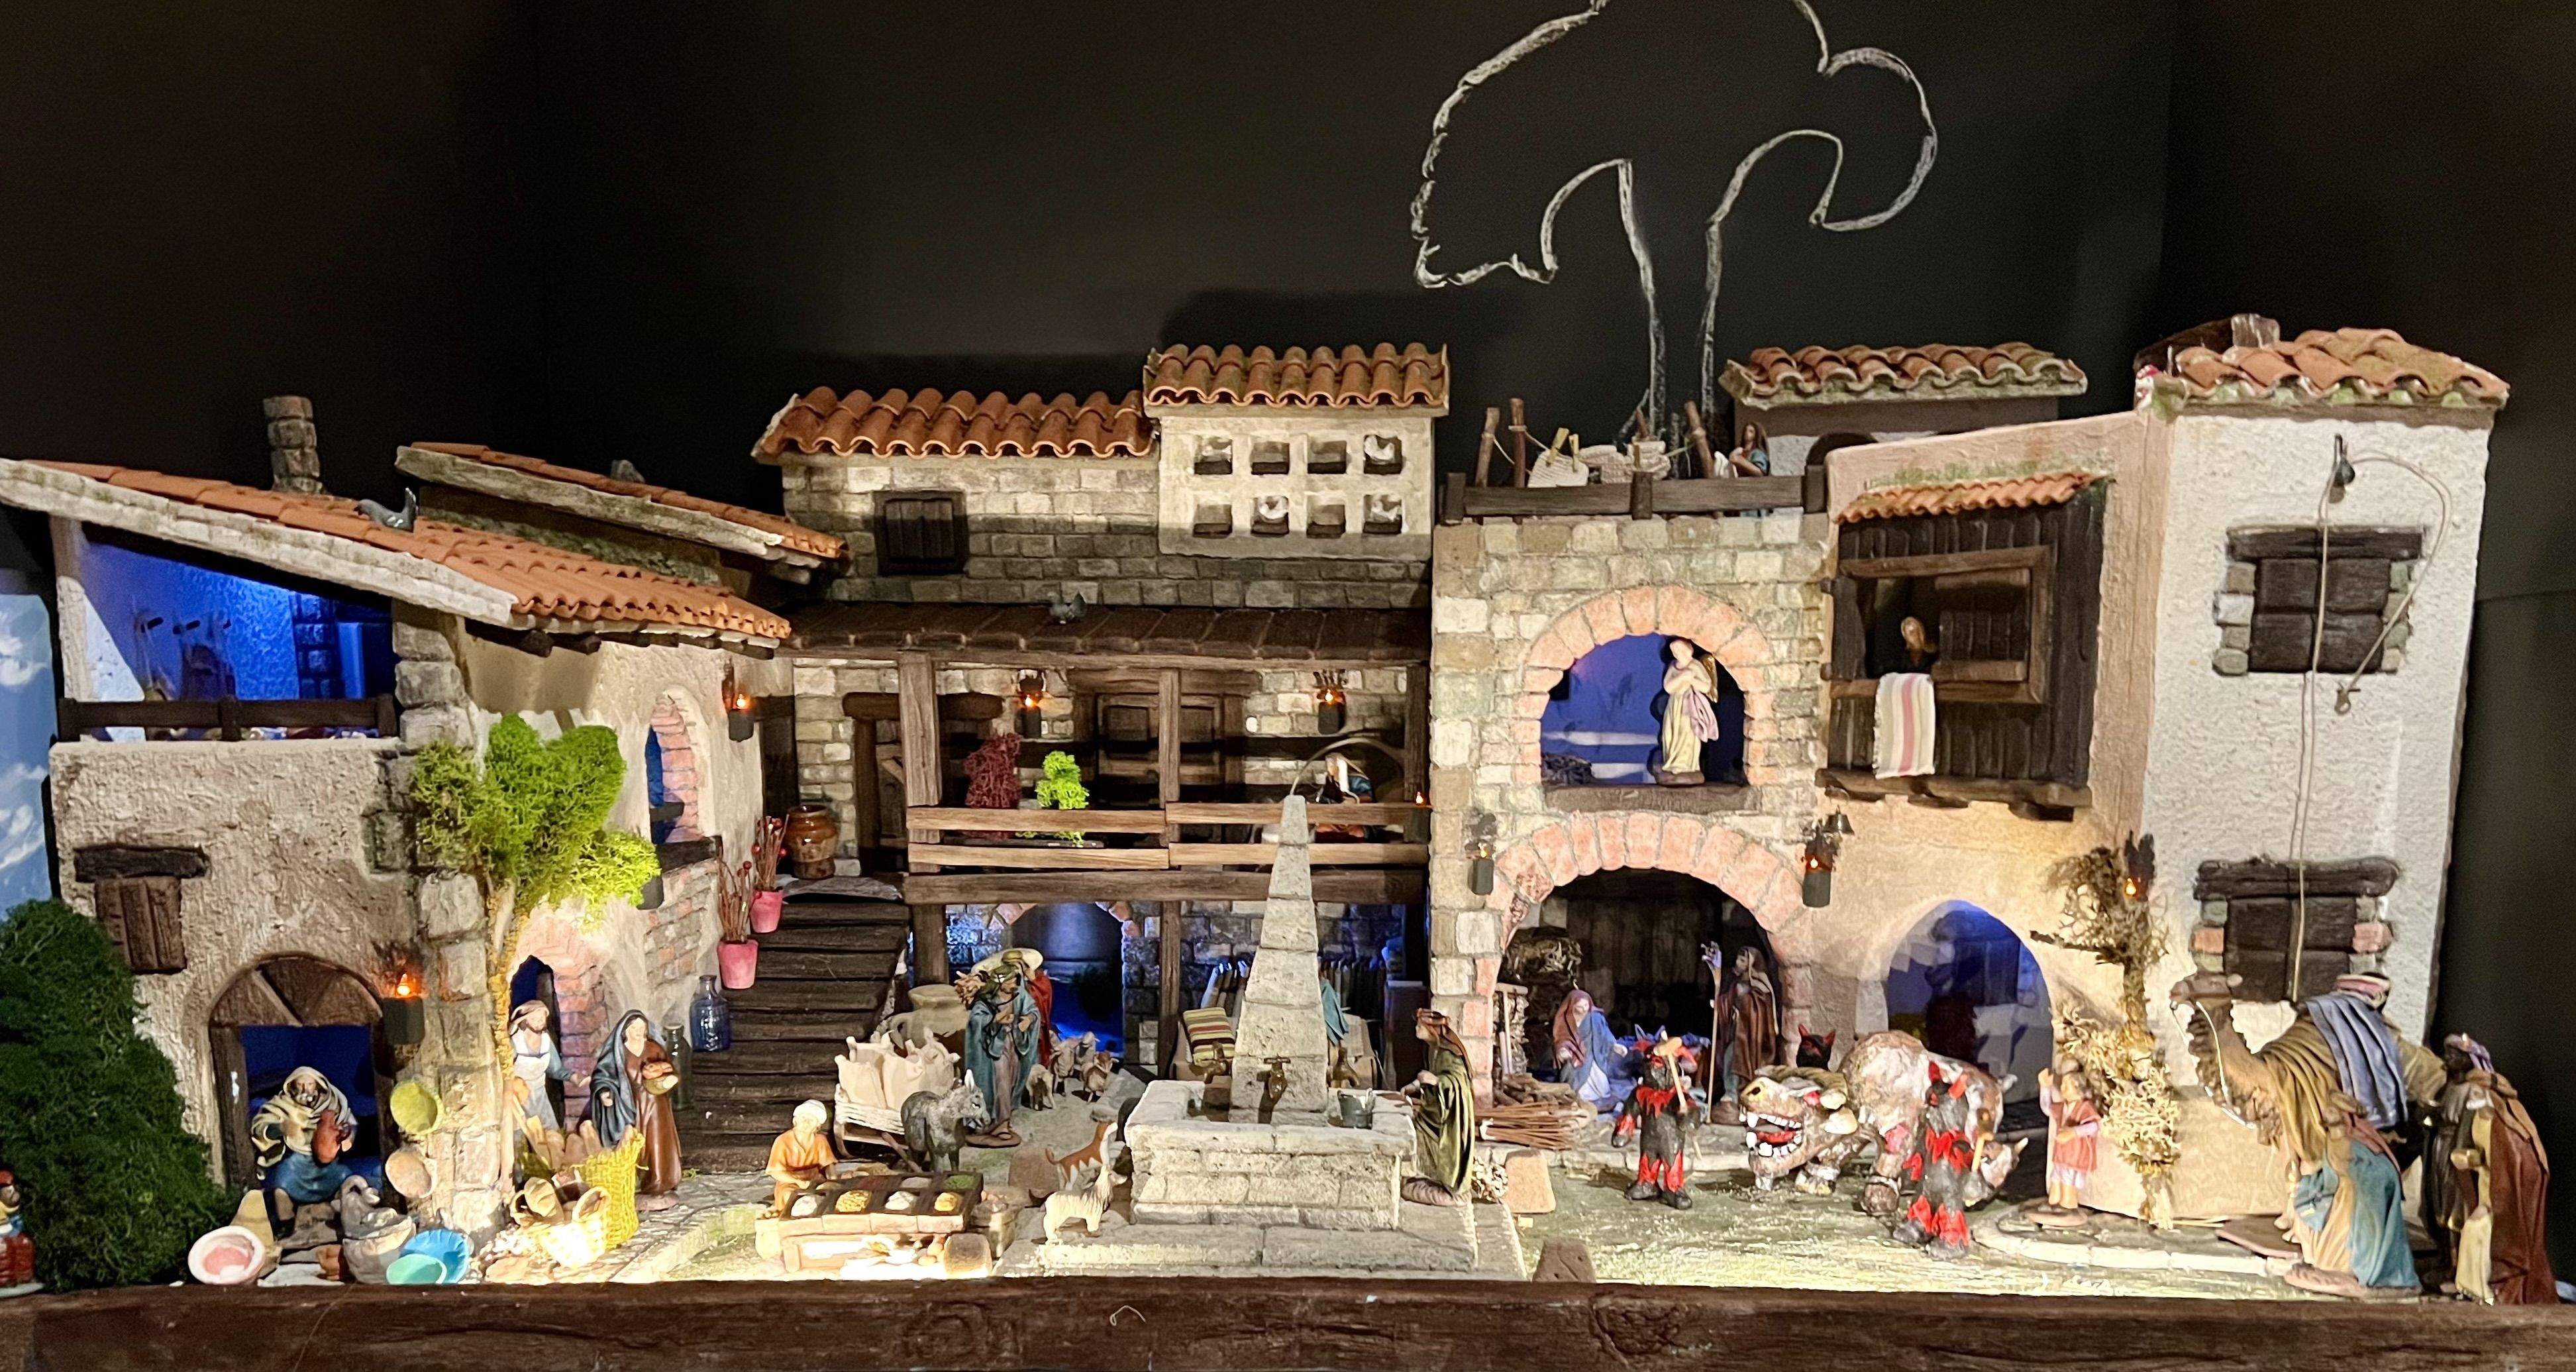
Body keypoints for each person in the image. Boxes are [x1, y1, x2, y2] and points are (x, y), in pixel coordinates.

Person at [590, 1012, 682, 1207]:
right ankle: (635, 1184)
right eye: (635, 1028)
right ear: (626, 1031)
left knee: (657, 1143)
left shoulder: (654, 1048)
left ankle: (659, 1183)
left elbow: (670, 1069)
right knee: (632, 1143)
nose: (639, 1031)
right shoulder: (618, 1052)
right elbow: (603, 1075)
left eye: (642, 1027)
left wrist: (670, 1079)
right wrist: (605, 1092)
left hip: (656, 1104)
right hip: (628, 1105)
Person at [249, 1066, 358, 1225]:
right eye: (300, 1084)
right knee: (282, 1183)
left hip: (327, 1163)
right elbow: (261, 1128)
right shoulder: (282, 1105)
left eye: (310, 1084)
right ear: (293, 1086)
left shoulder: (333, 1103)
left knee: (345, 1177)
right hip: (296, 1161)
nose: (305, 1089)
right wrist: (281, 1128)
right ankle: (286, 1224)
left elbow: (350, 1124)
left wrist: (348, 1138)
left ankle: (339, 1216)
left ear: (318, 1085)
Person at [963, 950, 1043, 1145]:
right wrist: (995, 1019)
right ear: (1001, 982)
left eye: (1015, 980)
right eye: (1011, 981)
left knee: (1012, 1082)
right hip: (996, 1047)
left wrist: (1028, 1019)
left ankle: (1003, 1121)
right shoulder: (988, 999)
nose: (1015, 984)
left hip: (1014, 1044)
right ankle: (1000, 1125)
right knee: (1001, 1083)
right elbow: (976, 1019)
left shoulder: (1019, 995)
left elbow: (1033, 1010)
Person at [1402, 1008, 1475, 1207]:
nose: (1416, 1029)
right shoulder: (1435, 1050)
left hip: (1449, 1115)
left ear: (1432, 1029)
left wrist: (1436, 1081)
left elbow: (1458, 1081)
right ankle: (1427, 1176)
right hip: (1435, 1110)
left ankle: (1446, 1184)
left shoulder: (1450, 1053)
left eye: (1420, 1026)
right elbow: (1434, 1074)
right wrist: (1415, 1085)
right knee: (1414, 1127)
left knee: (1421, 1134)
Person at [1712, 945, 1781, 1114]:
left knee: (1738, 1058)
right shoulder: (1737, 982)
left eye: (1743, 960)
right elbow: (1729, 1000)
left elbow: (1762, 1008)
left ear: (1752, 963)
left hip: (1751, 1034)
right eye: (1738, 959)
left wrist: (1746, 1001)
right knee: (1729, 1057)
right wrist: (1720, 1004)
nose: (1738, 962)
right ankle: (1731, 1092)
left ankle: (1738, 1092)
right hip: (1737, 1029)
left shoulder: (1760, 984)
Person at [1549, 988, 1633, 1115]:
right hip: (1576, 1058)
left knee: (1599, 1081)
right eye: (1579, 1007)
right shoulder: (1567, 1019)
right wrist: (1563, 1050)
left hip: (1595, 1057)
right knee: (1575, 1080)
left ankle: (1600, 1100)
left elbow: (1604, 1034)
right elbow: (1562, 1038)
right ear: (1572, 1006)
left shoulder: (1595, 1018)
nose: (1584, 1009)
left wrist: (1615, 1046)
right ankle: (1579, 1098)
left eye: (1586, 1005)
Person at [2037, 1056, 2102, 1216]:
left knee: (2068, 1180)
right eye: (2063, 1084)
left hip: (2075, 1155)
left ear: (2078, 1088)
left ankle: (2068, 1206)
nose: (2063, 1088)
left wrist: (2074, 1132)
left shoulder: (2085, 1107)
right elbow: (2047, 1108)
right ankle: (2053, 1202)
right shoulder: (2063, 1107)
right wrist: (2045, 1087)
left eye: (2067, 1085)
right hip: (2061, 1153)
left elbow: (2094, 1126)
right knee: (2056, 1178)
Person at [1655, 639, 1722, 785]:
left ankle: (1685, 765)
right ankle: (1672, 763)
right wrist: (1683, 676)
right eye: (1674, 651)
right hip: (1675, 705)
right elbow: (1668, 687)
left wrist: (1691, 680)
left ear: (1687, 650)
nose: (1677, 653)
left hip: (1689, 705)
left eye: (1679, 650)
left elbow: (1706, 687)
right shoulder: (1673, 666)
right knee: (1671, 733)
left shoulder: (1695, 665)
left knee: (1687, 733)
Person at [765, 1101, 839, 1216]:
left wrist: (833, 1181)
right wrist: (797, 1181)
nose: (806, 1123)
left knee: (828, 1199)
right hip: (790, 1182)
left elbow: (829, 1165)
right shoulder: (783, 1141)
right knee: (791, 1199)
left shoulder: (820, 1140)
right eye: (803, 1118)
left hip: (815, 1181)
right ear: (796, 1121)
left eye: (811, 1120)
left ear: (817, 1126)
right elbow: (776, 1172)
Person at [508, 1000, 572, 1134]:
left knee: (550, 1132)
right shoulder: (516, 1041)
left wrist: (572, 1077)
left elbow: (555, 1069)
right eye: (534, 1019)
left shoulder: (546, 1041)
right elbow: (505, 1071)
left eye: (542, 1018)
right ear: (525, 1021)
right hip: (520, 1097)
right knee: (522, 1132)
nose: (539, 1022)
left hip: (540, 1095)